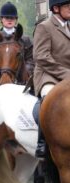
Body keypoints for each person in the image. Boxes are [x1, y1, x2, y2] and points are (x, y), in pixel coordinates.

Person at [33, 0, 70, 158]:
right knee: (49, 98)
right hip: (49, 74)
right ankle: (42, 143)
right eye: (68, 6)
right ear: (56, 8)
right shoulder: (44, 27)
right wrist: (66, 74)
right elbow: (41, 56)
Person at [0, 1, 34, 97]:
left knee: (39, 97)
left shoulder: (25, 40)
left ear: (16, 19)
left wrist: (26, 70)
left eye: (12, 18)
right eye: (7, 17)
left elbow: (31, 58)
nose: (9, 20)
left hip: (22, 77)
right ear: (1, 19)